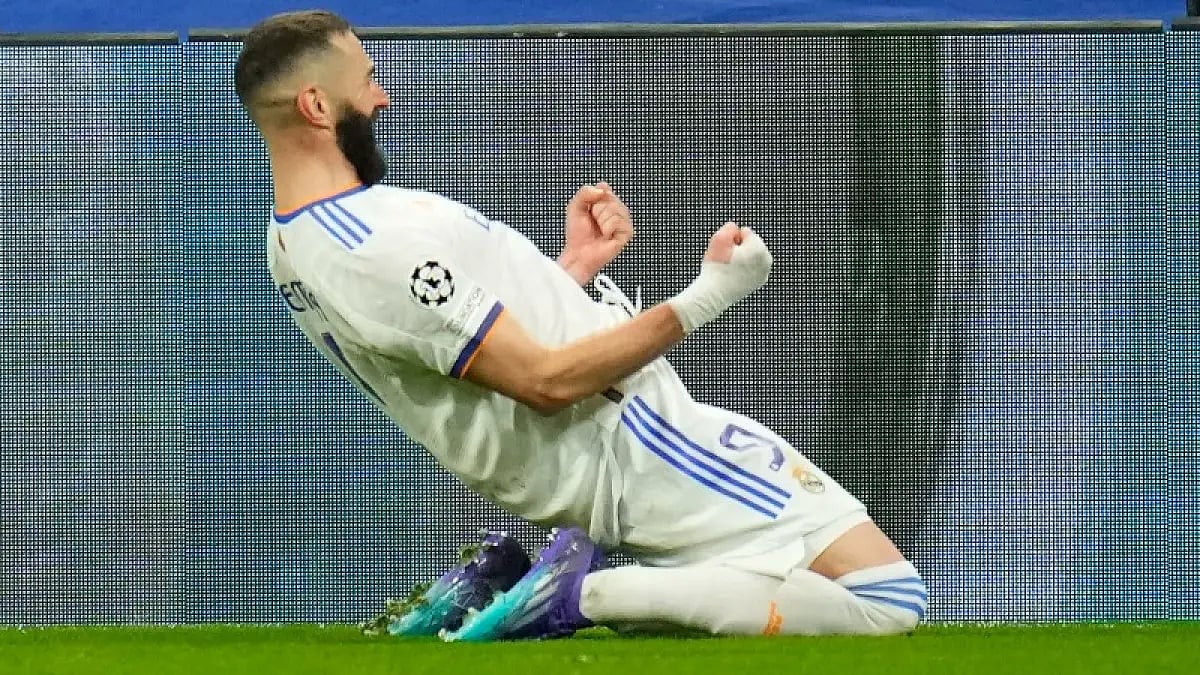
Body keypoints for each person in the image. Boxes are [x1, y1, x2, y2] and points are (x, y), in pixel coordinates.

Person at [233, 9, 928, 641]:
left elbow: (452, 350)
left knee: (740, 601)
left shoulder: (292, 242)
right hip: (638, 442)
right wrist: (710, 295)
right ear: (317, 105)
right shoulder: (372, 246)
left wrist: (568, 271)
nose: (382, 97)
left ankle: (506, 585)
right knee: (888, 596)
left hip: (606, 452)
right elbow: (542, 380)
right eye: (369, 80)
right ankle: (583, 592)